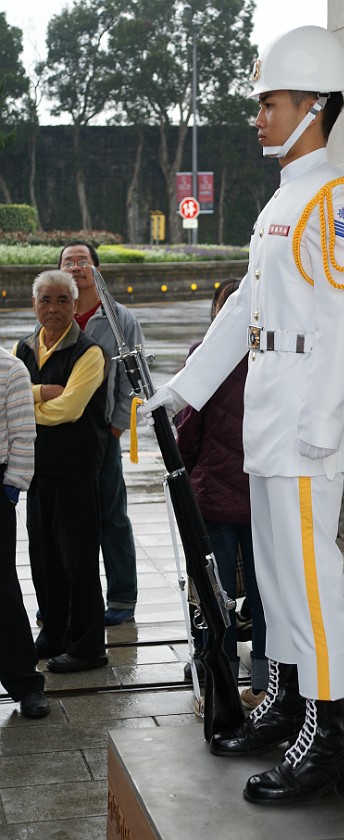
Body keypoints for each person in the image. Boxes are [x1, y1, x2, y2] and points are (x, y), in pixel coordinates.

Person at [140, 25, 344, 805]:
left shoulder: (335, 202)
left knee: (313, 584)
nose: (260, 116)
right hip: (270, 421)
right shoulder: (284, 199)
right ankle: (283, 705)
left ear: (313, 106)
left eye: (271, 102)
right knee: (276, 581)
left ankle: (328, 740)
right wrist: (186, 389)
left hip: (307, 423)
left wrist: (327, 421)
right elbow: (247, 306)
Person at [173, 280, 268, 709]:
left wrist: (189, 470)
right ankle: (267, 677)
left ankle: (221, 675)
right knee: (266, 590)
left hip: (215, 491)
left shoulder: (206, 357)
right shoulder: (272, 356)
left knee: (217, 589)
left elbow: (188, 428)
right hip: (264, 492)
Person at [16, 270, 109, 673]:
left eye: (62, 301)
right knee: (44, 556)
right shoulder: (23, 348)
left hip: (76, 469)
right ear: (34, 305)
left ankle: (89, 646)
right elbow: (7, 394)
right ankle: (54, 632)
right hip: (36, 470)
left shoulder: (89, 352)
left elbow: (71, 409)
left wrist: (26, 405)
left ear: (75, 306)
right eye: (45, 300)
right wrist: (40, 393)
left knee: (80, 560)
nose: (53, 308)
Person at [58, 240, 145, 626]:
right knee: (63, 522)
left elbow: (134, 379)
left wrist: (116, 426)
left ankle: (122, 599)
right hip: (58, 434)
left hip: (101, 436)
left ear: (96, 268)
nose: (75, 267)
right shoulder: (53, 311)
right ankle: (63, 599)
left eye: (82, 261)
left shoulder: (118, 318)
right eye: (67, 262)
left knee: (111, 517)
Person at [0, 346, 50, 718]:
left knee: (2, 588)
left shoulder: (11, 369)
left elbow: (23, 434)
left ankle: (25, 683)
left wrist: (13, 487)